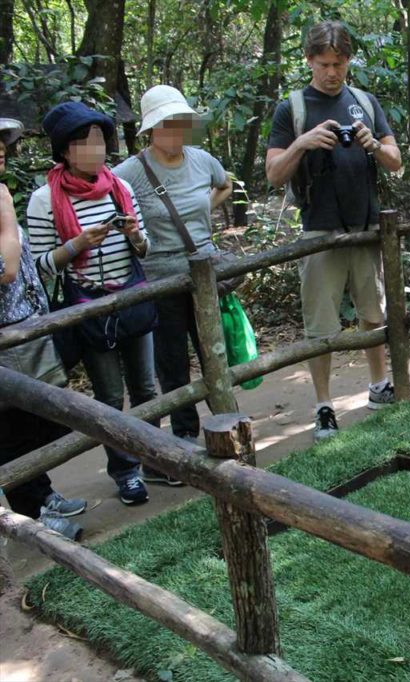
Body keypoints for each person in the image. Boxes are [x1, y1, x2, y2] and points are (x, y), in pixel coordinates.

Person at [265, 20, 403, 442]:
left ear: (349, 61)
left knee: (373, 315)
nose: (331, 72)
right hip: (319, 232)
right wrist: (302, 143)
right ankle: (324, 405)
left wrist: (374, 145)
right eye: (323, 63)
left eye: (339, 64)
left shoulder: (365, 101)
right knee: (321, 326)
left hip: (365, 228)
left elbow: (396, 161)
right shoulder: (293, 108)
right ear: (309, 60)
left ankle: (379, 387)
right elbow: (274, 174)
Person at [26, 103, 160, 506]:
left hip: (132, 296)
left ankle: (157, 458)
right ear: (65, 151)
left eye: (99, 140)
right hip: (88, 306)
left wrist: (135, 235)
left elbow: (145, 248)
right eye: (83, 142)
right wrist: (77, 245)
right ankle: (126, 471)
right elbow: (40, 266)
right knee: (109, 394)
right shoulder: (43, 200)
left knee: (146, 387)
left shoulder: (121, 187)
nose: (94, 149)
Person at [113, 85, 232, 455]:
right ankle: (184, 434)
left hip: (205, 271)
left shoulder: (202, 160)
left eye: (181, 122)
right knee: (172, 361)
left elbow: (224, 184)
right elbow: (112, 208)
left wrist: (203, 213)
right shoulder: (129, 172)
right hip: (160, 277)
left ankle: (229, 423)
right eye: (167, 124)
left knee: (214, 351)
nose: (176, 131)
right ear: (151, 129)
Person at [1, 117, 87, 539]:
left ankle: (42, 492)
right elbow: (5, 267)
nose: (1, 147)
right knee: (10, 435)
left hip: (26, 330)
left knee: (34, 423)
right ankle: (32, 516)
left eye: (2, 140)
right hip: (5, 340)